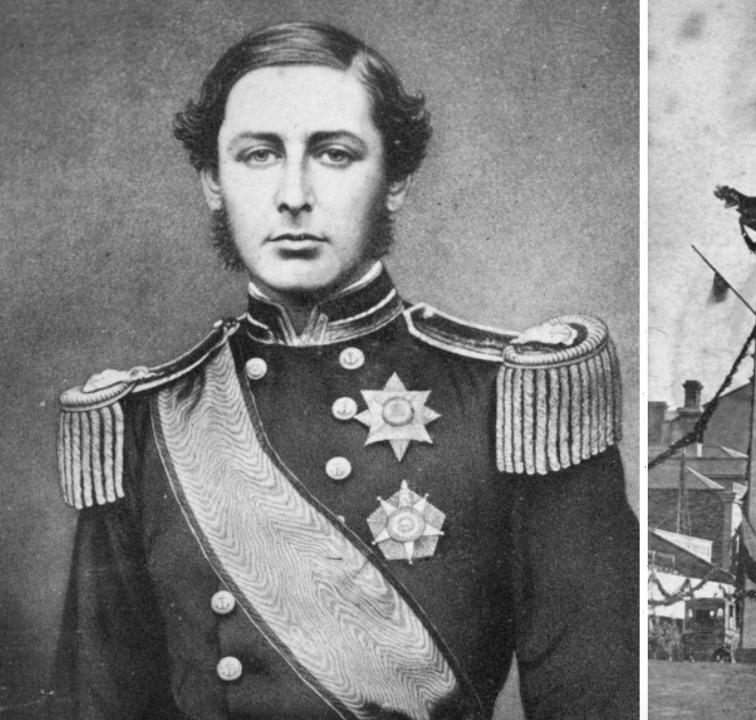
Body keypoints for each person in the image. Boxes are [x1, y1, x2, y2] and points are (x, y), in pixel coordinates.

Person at [54, 22, 637, 720]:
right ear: (213, 181)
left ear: (394, 180)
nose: (293, 194)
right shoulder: (146, 420)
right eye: (259, 155)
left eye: (333, 154)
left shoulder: (515, 399)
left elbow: (596, 696)